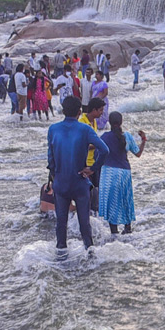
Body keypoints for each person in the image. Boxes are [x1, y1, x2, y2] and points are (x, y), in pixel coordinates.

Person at [47, 96, 108, 253]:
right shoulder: (85, 129)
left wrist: (55, 176)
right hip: (79, 181)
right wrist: (93, 168)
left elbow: (50, 157)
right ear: (80, 111)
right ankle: (90, 258)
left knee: (61, 223)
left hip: (61, 182)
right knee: (84, 224)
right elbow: (105, 150)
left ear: (63, 110)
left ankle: (61, 258)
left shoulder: (53, 129)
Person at [98, 111, 146, 235]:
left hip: (109, 173)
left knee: (111, 202)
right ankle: (127, 229)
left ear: (109, 122)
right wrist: (144, 141)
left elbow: (98, 153)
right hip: (124, 172)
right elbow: (138, 154)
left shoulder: (104, 137)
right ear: (121, 122)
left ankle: (114, 232)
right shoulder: (127, 136)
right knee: (125, 199)